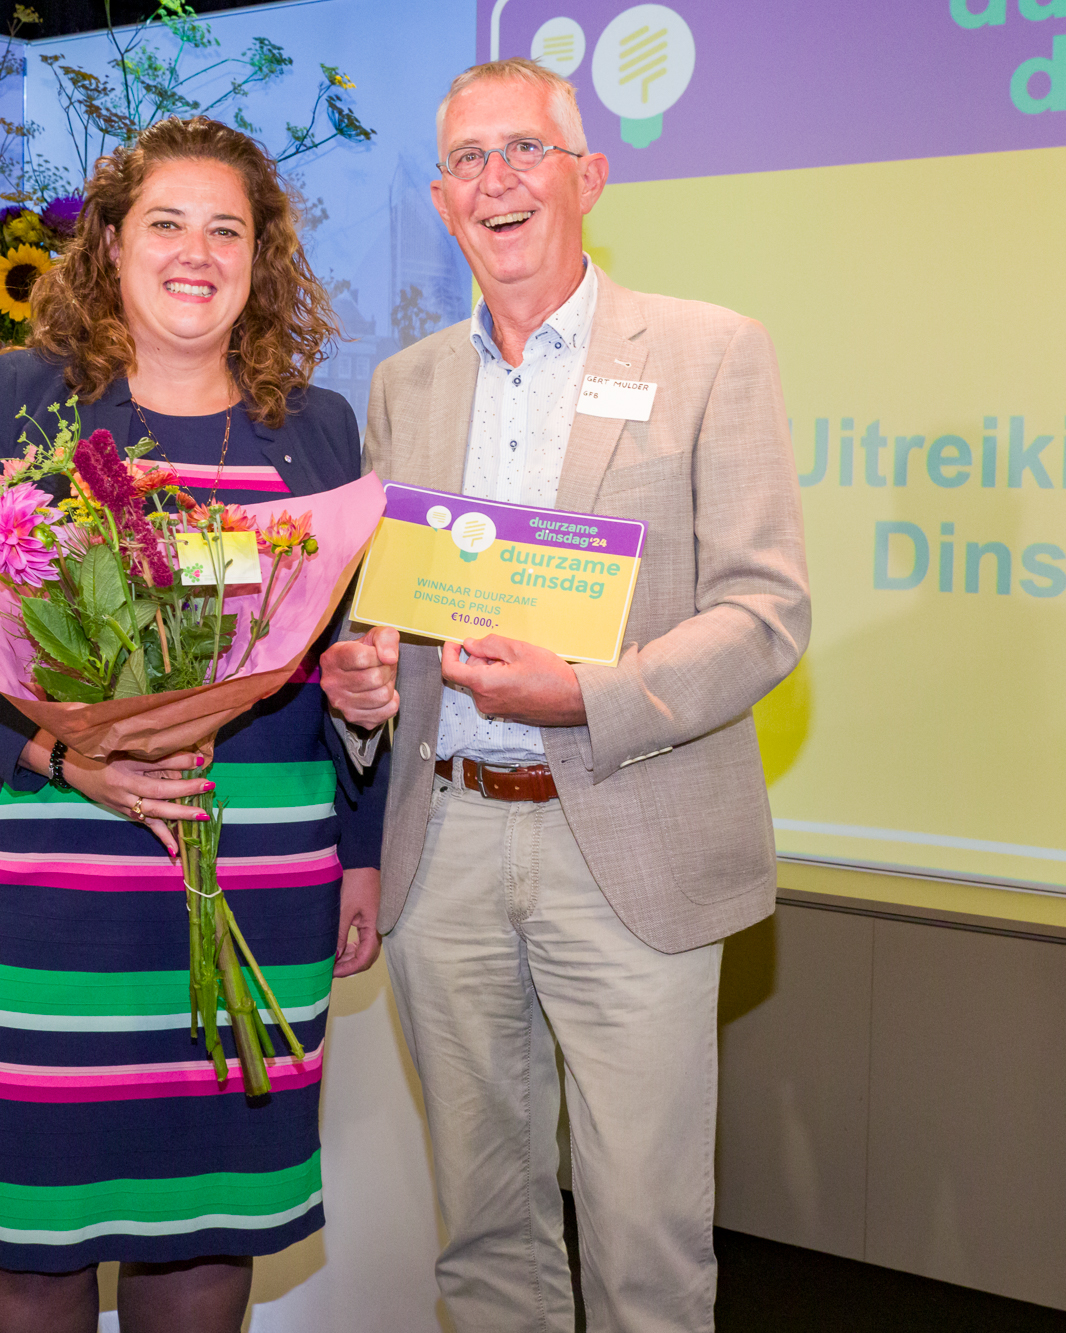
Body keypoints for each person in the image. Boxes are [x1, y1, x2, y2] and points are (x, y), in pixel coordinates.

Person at [319, 59, 810, 1333]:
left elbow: (765, 614)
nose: (497, 181)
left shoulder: (710, 351)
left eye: (523, 151)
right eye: (468, 161)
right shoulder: (404, 385)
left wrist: (584, 694)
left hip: (631, 838)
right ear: (439, 202)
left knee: (643, 1242)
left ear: (585, 176)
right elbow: (386, 611)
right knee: (483, 1237)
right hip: (449, 845)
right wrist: (360, 679)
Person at [0, 116, 386, 1333]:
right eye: (165, 222)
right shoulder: (29, 403)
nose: (195, 252)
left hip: (263, 887)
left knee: (209, 1232)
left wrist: (362, 815)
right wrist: (67, 756)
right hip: (65, 889)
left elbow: (345, 666)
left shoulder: (313, 428)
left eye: (227, 228)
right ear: (110, 246)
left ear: (260, 257)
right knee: (35, 1245)